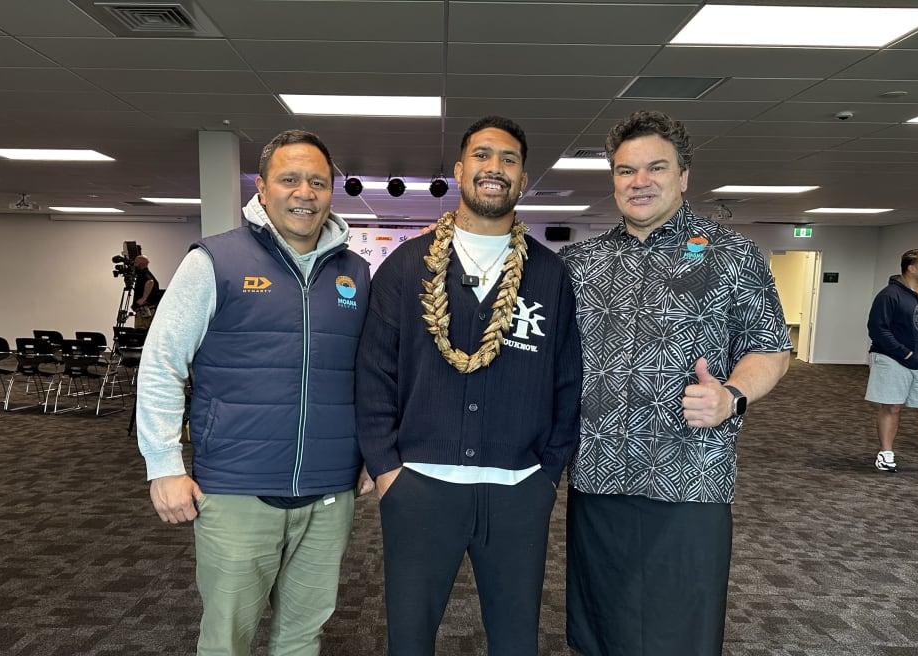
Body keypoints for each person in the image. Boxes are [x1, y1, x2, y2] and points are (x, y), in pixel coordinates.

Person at [558, 110, 792, 656]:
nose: (639, 182)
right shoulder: (578, 264)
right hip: (599, 476)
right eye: (624, 171)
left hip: (690, 479)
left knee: (680, 631)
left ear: (684, 176)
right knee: (601, 626)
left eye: (655, 168)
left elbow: (772, 348)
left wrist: (731, 394)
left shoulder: (732, 256)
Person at [136, 129, 373, 656]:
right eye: (289, 179)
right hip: (237, 489)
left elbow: (368, 376)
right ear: (262, 190)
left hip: (329, 491)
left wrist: (371, 452)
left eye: (317, 181)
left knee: (302, 636)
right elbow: (160, 364)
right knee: (227, 640)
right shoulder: (215, 261)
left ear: (332, 191)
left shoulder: (355, 273)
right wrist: (163, 464)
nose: (304, 192)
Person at [356, 115, 582, 656]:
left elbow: (568, 380)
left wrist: (547, 474)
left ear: (523, 179)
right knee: (408, 640)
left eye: (508, 159)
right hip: (419, 486)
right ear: (460, 170)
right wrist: (387, 469)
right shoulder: (406, 269)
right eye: (482, 156)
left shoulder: (549, 275)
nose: (494, 168)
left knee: (515, 640)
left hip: (518, 489)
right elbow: (373, 376)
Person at [865, 248, 918, 477]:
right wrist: (904, 354)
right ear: (911, 268)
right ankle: (886, 454)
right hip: (893, 359)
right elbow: (878, 329)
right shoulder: (889, 295)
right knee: (892, 406)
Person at [132, 255, 163, 330]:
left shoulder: (144, 274)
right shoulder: (147, 273)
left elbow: (150, 282)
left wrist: (143, 298)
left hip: (144, 311)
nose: (134, 264)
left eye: (136, 262)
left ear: (141, 264)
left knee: (141, 331)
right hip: (147, 310)